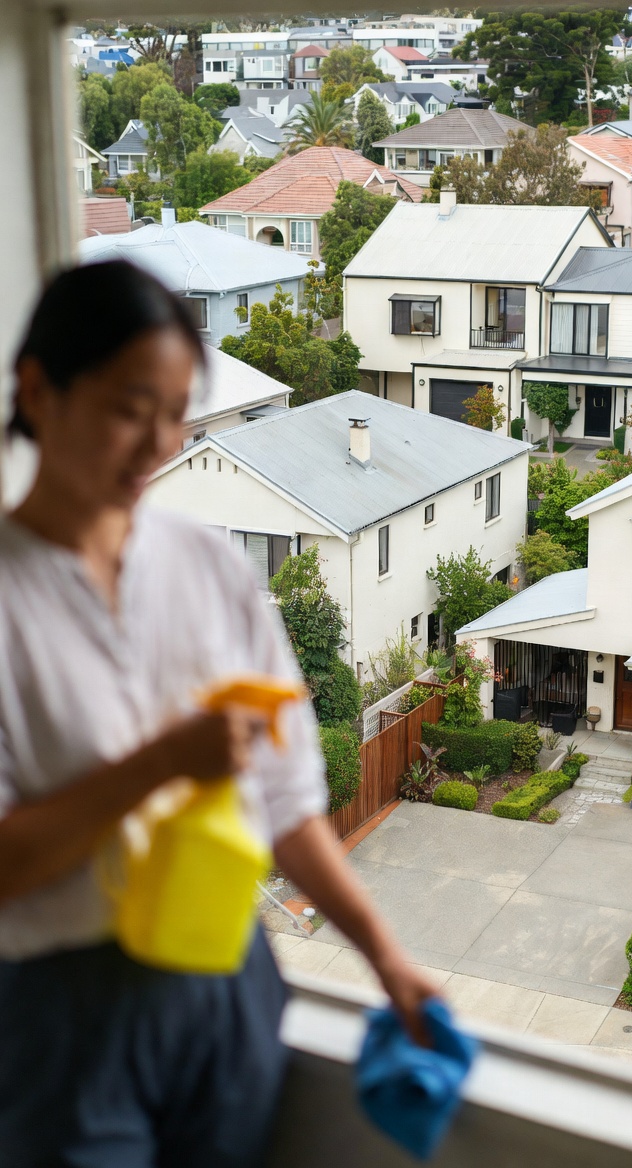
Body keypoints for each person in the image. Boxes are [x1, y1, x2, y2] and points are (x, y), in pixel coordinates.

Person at [0, 261, 438, 1168]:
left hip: (225, 982)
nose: (158, 442)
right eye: (130, 408)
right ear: (39, 389)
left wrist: (385, 959)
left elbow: (283, 806)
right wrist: (163, 761)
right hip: (57, 1016)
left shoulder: (207, 566)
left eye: (176, 412)